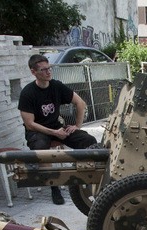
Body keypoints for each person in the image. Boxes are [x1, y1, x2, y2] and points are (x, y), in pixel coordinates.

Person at [18, 54, 97, 205]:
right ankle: (55, 187)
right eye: (43, 70)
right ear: (33, 72)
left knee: (88, 140)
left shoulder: (56, 86)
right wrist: (55, 133)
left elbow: (80, 103)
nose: (48, 72)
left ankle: (86, 179)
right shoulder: (27, 93)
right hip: (37, 131)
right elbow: (29, 124)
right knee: (42, 148)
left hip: (56, 126)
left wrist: (77, 126)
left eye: (49, 68)